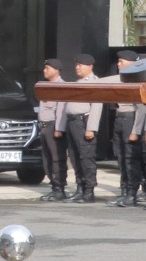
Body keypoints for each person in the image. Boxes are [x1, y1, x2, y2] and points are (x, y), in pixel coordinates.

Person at [61, 57, 102, 201]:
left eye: (80, 65)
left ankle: (89, 191)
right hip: (72, 122)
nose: (77, 68)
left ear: (90, 66)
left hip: (83, 122)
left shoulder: (94, 82)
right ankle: (80, 188)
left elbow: (96, 106)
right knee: (74, 156)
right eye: (76, 65)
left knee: (86, 157)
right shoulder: (77, 83)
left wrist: (91, 128)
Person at [33, 60, 69, 202]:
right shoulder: (45, 86)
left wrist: (59, 129)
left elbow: (61, 109)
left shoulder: (61, 86)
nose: (44, 70)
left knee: (56, 158)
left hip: (54, 126)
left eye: (47, 68)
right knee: (47, 158)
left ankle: (59, 189)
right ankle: (54, 187)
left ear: (56, 70)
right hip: (44, 126)